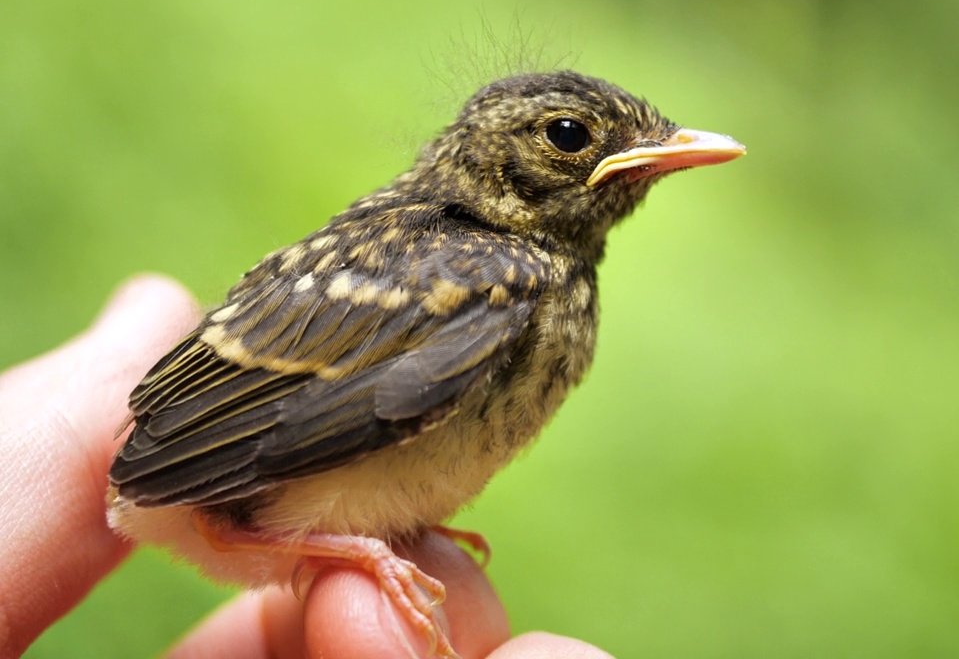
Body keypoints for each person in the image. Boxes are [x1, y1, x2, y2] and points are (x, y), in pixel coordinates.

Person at [0, 275, 610, 658]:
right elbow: (173, 467)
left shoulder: (527, 289)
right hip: (215, 453)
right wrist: (364, 550)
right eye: (566, 139)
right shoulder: (492, 280)